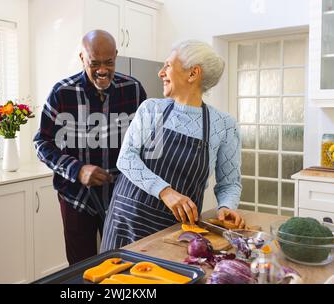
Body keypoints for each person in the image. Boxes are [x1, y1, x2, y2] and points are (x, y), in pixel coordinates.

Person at [100, 40, 244, 252]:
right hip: (126, 221)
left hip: (176, 231)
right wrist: (165, 191)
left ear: (193, 74)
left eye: (167, 65)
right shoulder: (151, 109)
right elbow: (126, 158)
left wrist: (226, 207)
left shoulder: (223, 125)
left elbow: (230, 183)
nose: (161, 73)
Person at [33, 30, 147, 265]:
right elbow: (42, 142)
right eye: (94, 63)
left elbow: (146, 142)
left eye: (109, 62)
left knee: (123, 267)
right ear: (82, 57)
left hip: (121, 197)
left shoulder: (134, 90)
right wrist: (77, 169)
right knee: (81, 268)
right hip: (76, 198)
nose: (102, 70)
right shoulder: (62, 93)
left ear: (116, 56)